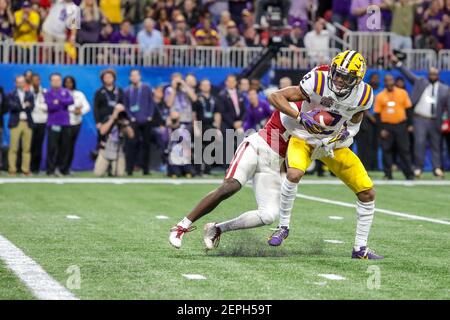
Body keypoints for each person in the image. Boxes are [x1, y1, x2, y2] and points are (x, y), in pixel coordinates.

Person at [266, 50, 383, 260]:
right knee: (293, 174)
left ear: (356, 80)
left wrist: (341, 136)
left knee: (367, 192)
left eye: (345, 77)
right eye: (336, 73)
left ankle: (360, 248)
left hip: (332, 144)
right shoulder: (318, 81)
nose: (338, 79)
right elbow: (276, 96)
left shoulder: (364, 94)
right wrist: (301, 117)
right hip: (303, 136)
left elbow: (355, 124)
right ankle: (282, 226)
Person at [169, 91, 300, 250]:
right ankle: (181, 226)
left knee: (268, 216)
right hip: (258, 145)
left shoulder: (324, 117)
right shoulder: (299, 103)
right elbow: (276, 98)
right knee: (231, 185)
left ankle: (217, 229)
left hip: (273, 162)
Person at [393, 56, 450, 178]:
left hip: (436, 120)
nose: (433, 75)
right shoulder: (421, 82)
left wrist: (446, 122)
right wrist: (398, 64)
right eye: (431, 73)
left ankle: (437, 168)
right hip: (420, 119)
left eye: (435, 74)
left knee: (436, 144)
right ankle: (418, 168)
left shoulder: (445, 89)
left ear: (438, 75)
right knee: (419, 144)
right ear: (428, 74)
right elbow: (408, 75)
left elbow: (448, 107)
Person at [374, 74, 415, 180]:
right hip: (386, 126)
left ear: (393, 81)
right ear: (384, 82)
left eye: (391, 80)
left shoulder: (402, 93)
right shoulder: (380, 96)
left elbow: (409, 109)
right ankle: (388, 174)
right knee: (386, 150)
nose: (389, 82)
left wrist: (410, 124)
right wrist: (381, 129)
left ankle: (409, 174)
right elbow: (377, 115)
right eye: (387, 81)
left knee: (404, 150)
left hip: (401, 125)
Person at [124, 69, 155, 176]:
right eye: (132, 76)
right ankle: (129, 169)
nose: (134, 77)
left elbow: (151, 102)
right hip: (134, 121)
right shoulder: (127, 90)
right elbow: (126, 106)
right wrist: (130, 117)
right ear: (130, 78)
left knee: (146, 145)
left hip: (146, 120)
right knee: (132, 144)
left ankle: (146, 170)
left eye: (136, 75)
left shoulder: (146, 88)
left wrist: (150, 116)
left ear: (140, 76)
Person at [44, 73, 74, 176]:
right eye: (54, 80)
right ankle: (50, 170)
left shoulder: (66, 91)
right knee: (52, 147)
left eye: (58, 80)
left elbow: (71, 101)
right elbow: (50, 106)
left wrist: (59, 101)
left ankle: (63, 169)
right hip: (53, 123)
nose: (56, 82)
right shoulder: (48, 92)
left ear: (61, 81)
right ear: (50, 81)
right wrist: (61, 103)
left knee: (65, 147)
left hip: (65, 123)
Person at [192, 79, 223, 175]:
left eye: (207, 85)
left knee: (211, 145)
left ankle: (207, 169)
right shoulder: (197, 98)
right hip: (200, 124)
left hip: (210, 125)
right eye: (204, 85)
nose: (206, 87)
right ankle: (198, 170)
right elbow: (194, 114)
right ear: (200, 86)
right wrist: (195, 127)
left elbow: (217, 114)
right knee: (198, 146)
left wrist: (217, 128)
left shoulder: (214, 99)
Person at [94, 104, 134, 177]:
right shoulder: (108, 118)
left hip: (118, 151)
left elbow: (131, 136)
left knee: (119, 174)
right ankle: (107, 167)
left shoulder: (126, 120)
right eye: (118, 111)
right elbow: (102, 131)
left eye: (121, 111)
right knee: (98, 173)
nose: (120, 113)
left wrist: (126, 125)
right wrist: (112, 119)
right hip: (105, 150)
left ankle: (111, 169)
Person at [7, 75, 34, 176]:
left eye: (22, 82)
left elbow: (32, 107)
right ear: (15, 83)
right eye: (19, 82)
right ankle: (12, 169)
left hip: (27, 122)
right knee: (13, 147)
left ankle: (25, 170)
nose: (20, 84)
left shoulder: (29, 94)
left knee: (27, 148)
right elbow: (12, 107)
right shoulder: (11, 94)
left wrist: (27, 106)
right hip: (15, 123)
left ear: (25, 83)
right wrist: (24, 105)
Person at [63, 76, 91, 173]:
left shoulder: (79, 94)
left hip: (76, 123)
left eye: (70, 82)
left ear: (73, 83)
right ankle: (59, 167)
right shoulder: (61, 93)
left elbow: (87, 106)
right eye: (66, 82)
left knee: (71, 146)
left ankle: (67, 168)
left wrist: (80, 111)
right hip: (64, 123)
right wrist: (71, 110)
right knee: (63, 146)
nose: (68, 84)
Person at [354, 72, 381, 171]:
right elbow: (363, 106)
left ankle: (371, 165)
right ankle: (362, 167)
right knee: (363, 145)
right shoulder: (365, 91)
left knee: (373, 145)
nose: (375, 80)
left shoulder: (381, 91)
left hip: (377, 120)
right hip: (365, 121)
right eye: (374, 78)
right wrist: (370, 117)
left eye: (377, 78)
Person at [30, 74, 48, 174]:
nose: (36, 82)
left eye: (38, 80)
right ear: (31, 81)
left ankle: (36, 168)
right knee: (30, 145)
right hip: (31, 121)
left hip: (42, 121)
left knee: (38, 146)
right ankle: (28, 167)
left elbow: (48, 106)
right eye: (34, 80)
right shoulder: (28, 92)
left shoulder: (45, 92)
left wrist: (39, 106)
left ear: (40, 80)